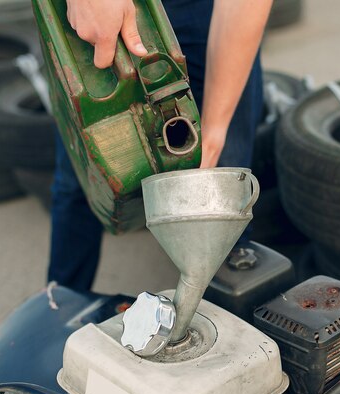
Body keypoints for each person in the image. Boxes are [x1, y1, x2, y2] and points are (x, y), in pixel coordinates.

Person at [48, 0, 273, 291]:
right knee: (80, 179)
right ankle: (60, 305)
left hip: (202, 10)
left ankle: (221, 311)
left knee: (224, 191)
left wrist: (215, 132)